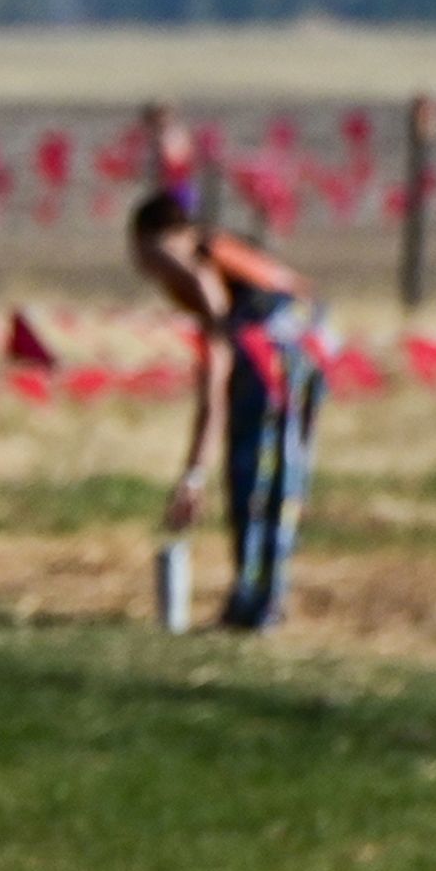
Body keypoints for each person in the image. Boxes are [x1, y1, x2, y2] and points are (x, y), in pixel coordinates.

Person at [131, 193, 325, 633]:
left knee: (257, 477)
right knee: (270, 479)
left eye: (151, 253)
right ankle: (258, 598)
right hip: (302, 349)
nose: (150, 268)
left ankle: (258, 602)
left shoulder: (200, 269)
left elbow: (215, 378)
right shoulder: (216, 257)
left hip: (278, 358)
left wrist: (194, 472)